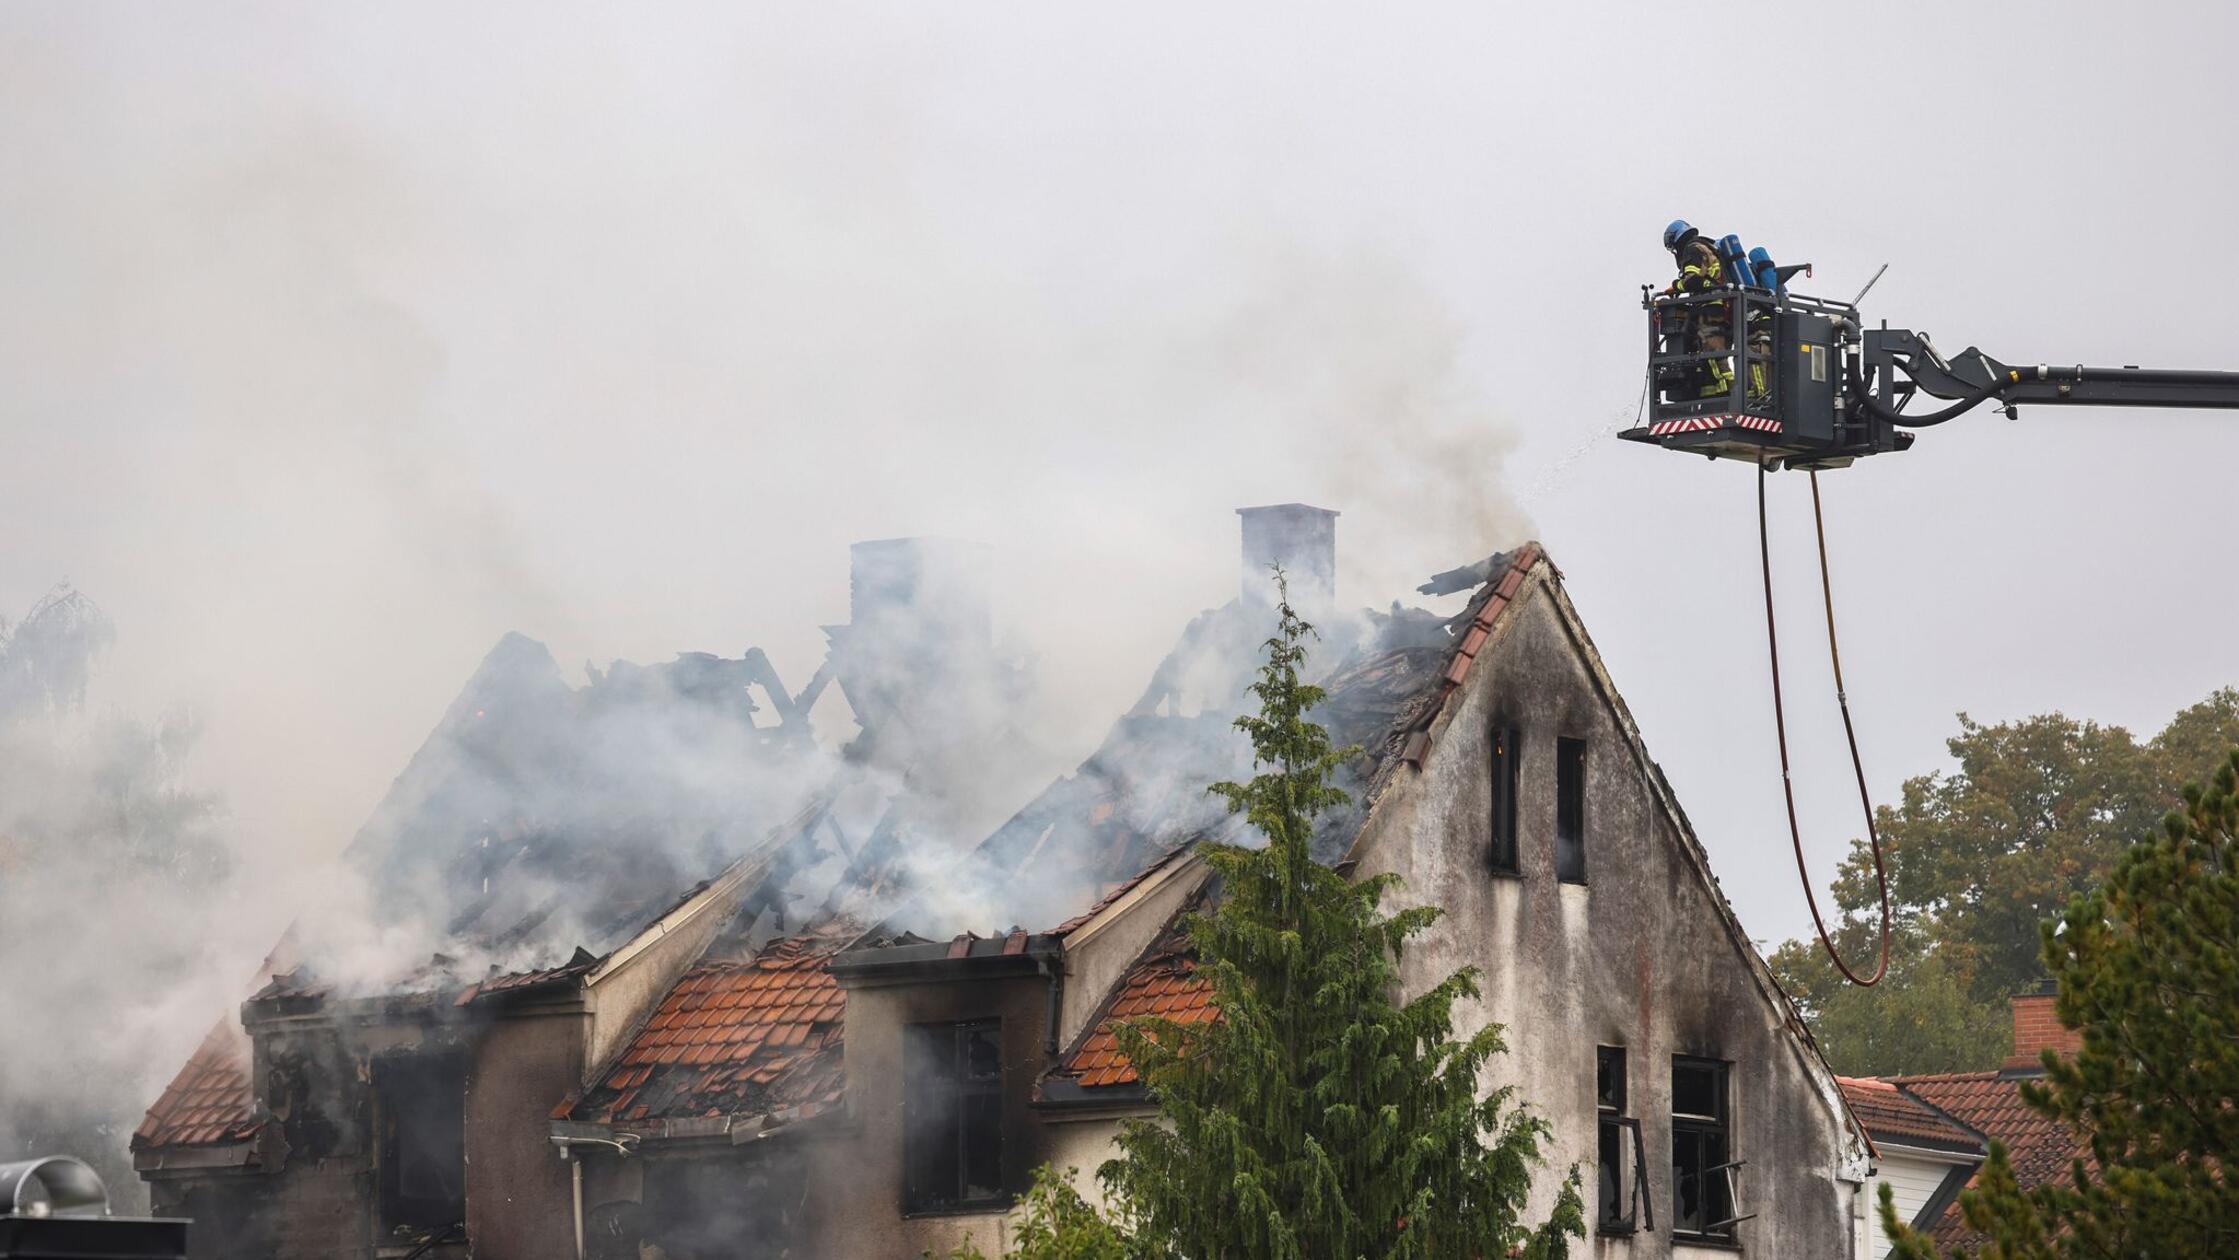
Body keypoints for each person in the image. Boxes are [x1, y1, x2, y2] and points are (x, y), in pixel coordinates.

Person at [1659, 220, 1735, 401]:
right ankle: (1712, 396)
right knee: (1707, 356)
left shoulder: (1692, 249)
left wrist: (1674, 287)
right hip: (1718, 308)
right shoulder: (1706, 247)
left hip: (1710, 310)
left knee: (1713, 354)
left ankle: (1730, 395)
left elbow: (1691, 280)